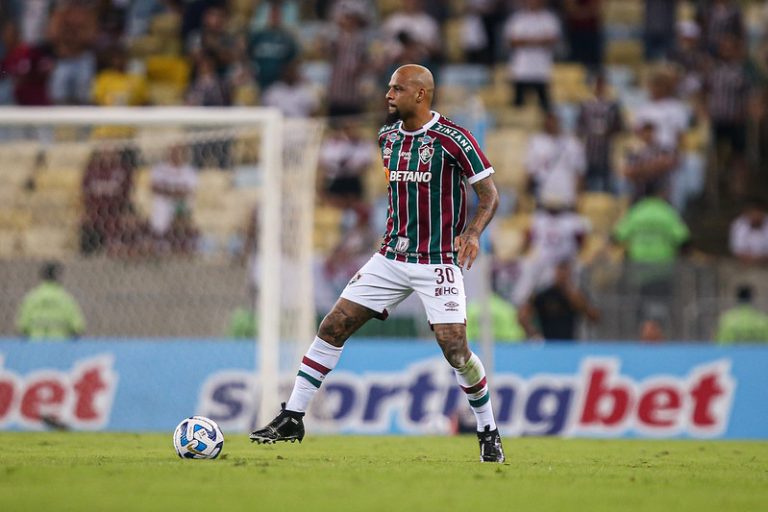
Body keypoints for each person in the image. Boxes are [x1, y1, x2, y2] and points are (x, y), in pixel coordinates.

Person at [250, 64, 505, 463]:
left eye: (397, 89)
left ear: (420, 94)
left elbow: (489, 194)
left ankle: (487, 430)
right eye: (388, 87)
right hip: (389, 257)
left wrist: (471, 232)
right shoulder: (386, 137)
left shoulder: (453, 139)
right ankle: (292, 416)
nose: (388, 95)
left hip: (436, 261)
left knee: (455, 348)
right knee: (333, 325)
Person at [518, 260, 600, 341]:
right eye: (560, 271)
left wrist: (573, 296)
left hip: (571, 344)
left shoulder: (577, 295)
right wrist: (533, 333)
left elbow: (594, 317)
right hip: (548, 344)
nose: (563, 275)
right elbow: (522, 316)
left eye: (566, 271)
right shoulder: (544, 294)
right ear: (555, 272)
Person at [503, 0, 561, 112]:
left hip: (541, 71)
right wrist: (538, 41)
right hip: (521, 71)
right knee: (518, 108)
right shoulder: (517, 18)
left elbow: (553, 40)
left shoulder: (549, 18)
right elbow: (512, 42)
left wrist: (525, 41)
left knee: (545, 108)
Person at [16, 261, 85, 340]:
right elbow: (77, 328)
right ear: (58, 278)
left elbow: (22, 327)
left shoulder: (31, 299)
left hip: (35, 346)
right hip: (60, 347)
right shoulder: (66, 299)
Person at [729, 198, 768, 265]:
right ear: (747, 213)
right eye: (752, 213)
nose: (755, 216)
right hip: (746, 265)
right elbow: (737, 250)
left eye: (758, 213)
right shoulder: (738, 224)